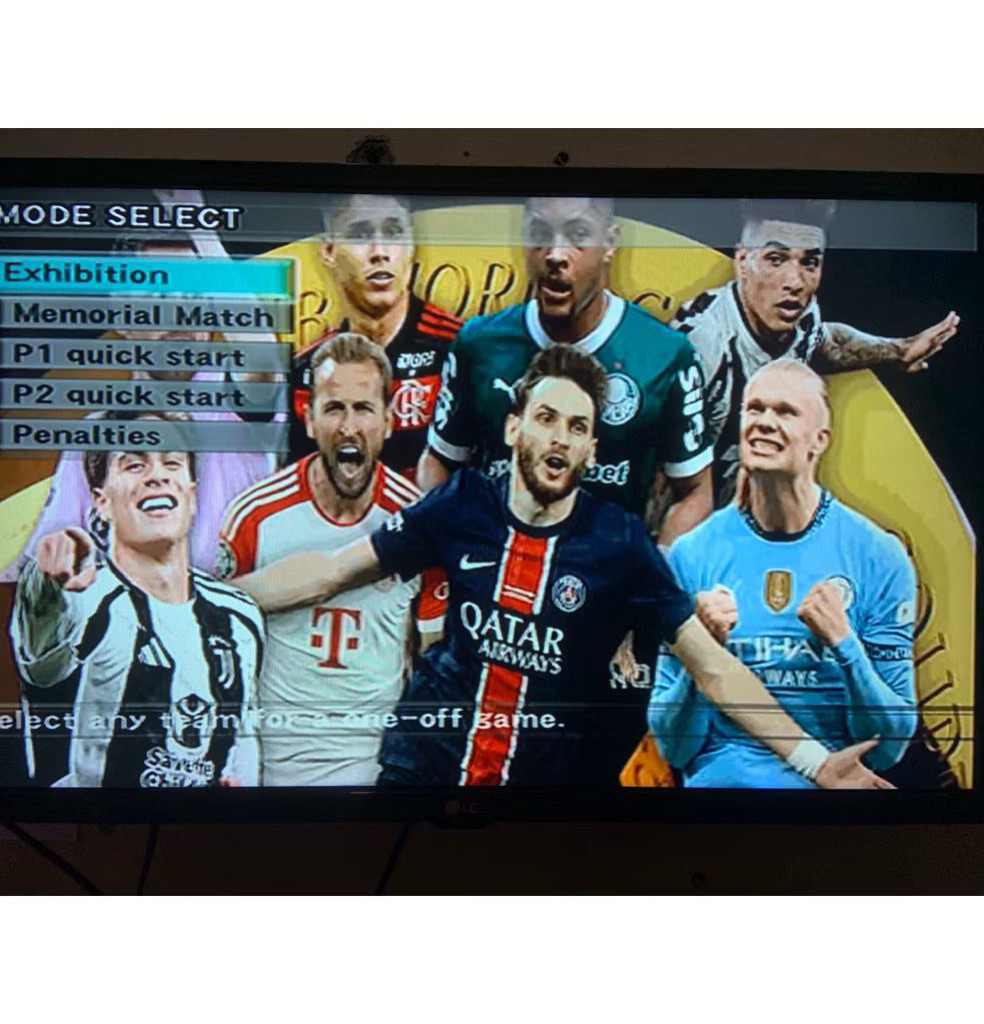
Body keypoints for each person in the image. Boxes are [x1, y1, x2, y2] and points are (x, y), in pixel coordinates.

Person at [233, 345, 891, 789]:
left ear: (591, 449)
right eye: (546, 419)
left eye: (577, 428)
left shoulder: (619, 543)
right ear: (514, 429)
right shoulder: (463, 504)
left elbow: (715, 668)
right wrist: (205, 599)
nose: (560, 437)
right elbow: (330, 571)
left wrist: (816, 763)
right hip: (422, 777)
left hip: (540, 800)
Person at [650, 361, 918, 787]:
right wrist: (701, 655)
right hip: (722, 801)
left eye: (785, 411)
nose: (764, 422)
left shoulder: (878, 556)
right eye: (754, 409)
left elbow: (889, 749)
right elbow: (673, 748)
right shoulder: (692, 554)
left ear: (820, 440)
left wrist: (845, 646)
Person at [419, 195, 712, 549]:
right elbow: (439, 462)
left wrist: (656, 568)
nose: (556, 254)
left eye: (578, 235)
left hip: (607, 576)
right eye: (540, 234)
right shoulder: (479, 344)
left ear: (610, 243)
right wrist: (450, 553)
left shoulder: (664, 354)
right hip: (495, 570)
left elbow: (696, 490)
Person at [217, 334, 444, 785]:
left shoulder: (417, 523)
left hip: (377, 776)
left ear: (389, 420)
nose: (348, 426)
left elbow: (432, 658)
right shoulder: (254, 515)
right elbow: (218, 645)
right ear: (309, 419)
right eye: (334, 408)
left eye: (363, 409)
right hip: (270, 775)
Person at [0, 224, 276, 580]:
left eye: (194, 293)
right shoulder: (95, 433)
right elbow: (42, 559)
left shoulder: (236, 401)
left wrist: (201, 232)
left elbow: (261, 354)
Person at [9, 413, 264, 788]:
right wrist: (48, 576)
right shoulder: (86, 598)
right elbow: (43, 627)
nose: (157, 475)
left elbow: (244, 741)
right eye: (134, 464)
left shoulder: (239, 615)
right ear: (102, 501)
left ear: (192, 493)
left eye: (172, 462)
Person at [672, 198, 960, 506]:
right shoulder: (702, 348)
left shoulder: (799, 315)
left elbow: (823, 341)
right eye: (775, 259)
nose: (795, 282)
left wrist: (900, 351)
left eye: (809, 262)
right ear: (742, 261)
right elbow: (662, 475)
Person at [288, 193, 460, 479]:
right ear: (329, 251)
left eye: (394, 233)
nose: (380, 251)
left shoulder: (459, 347)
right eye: (360, 235)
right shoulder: (307, 370)